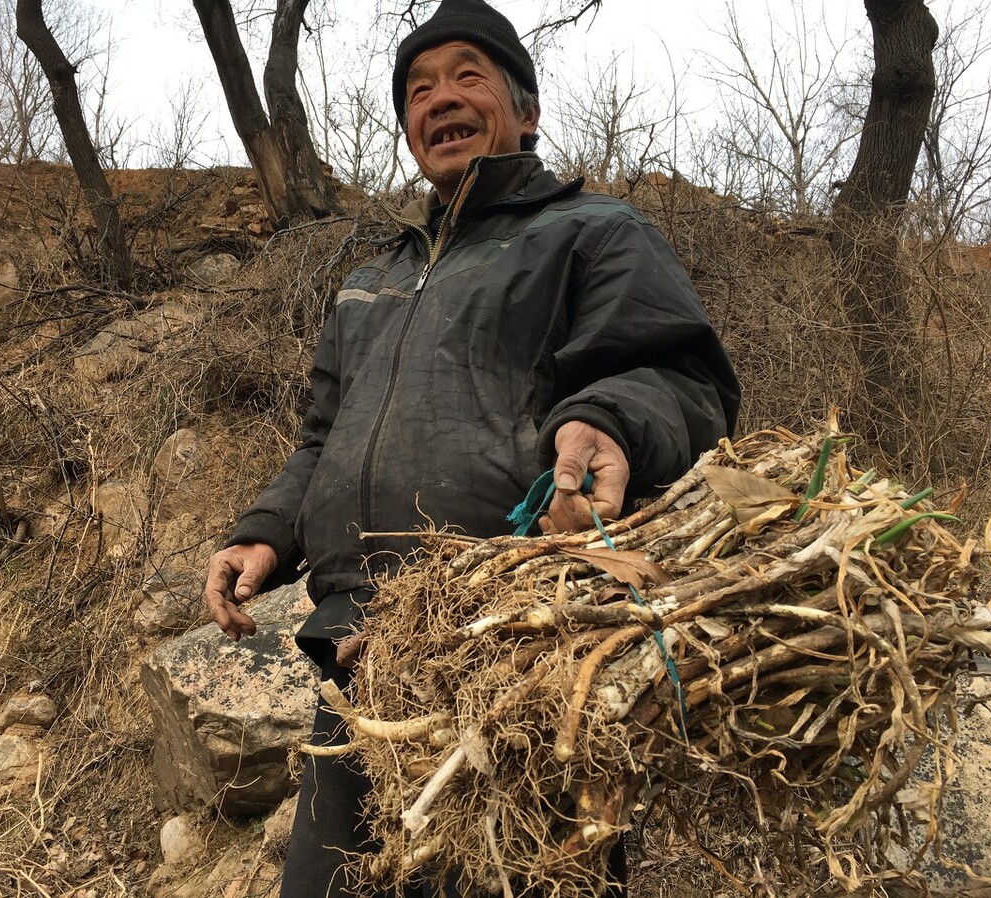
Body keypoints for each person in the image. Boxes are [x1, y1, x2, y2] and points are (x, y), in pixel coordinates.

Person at [202, 0, 740, 894]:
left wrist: (604, 421)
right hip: (358, 655)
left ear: (526, 111)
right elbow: (323, 438)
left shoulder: (593, 231)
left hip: (517, 648)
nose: (440, 99)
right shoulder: (372, 278)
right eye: (419, 90)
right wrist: (265, 532)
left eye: (466, 76)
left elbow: (682, 380)